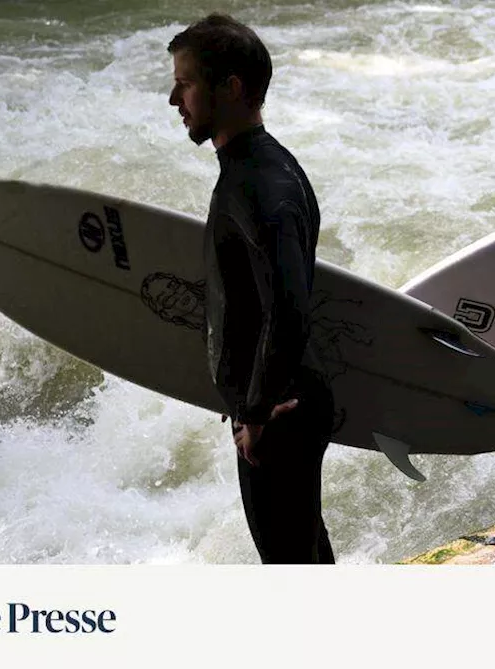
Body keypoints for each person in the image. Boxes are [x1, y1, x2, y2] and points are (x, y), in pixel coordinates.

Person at [168, 14, 335, 563]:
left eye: (186, 82)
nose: (175, 98)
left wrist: (258, 410)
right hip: (279, 401)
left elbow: (288, 311)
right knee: (303, 552)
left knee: (289, 563)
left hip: (281, 412)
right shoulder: (254, 168)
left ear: (231, 88)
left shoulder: (262, 185)